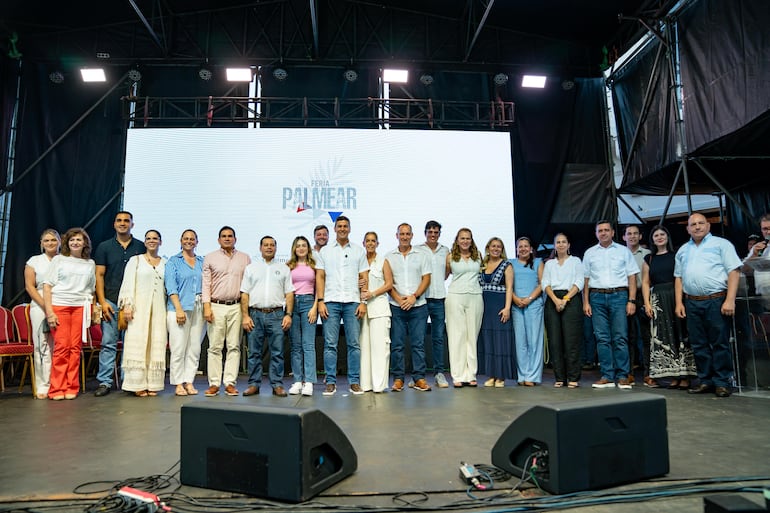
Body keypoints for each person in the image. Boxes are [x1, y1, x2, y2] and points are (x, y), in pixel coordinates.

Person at [674, 213, 741, 398]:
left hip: (716, 300)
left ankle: (722, 382)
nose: (697, 227)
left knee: (719, 343)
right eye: (692, 224)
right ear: (687, 228)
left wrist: (730, 299)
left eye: (701, 223)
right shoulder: (682, 250)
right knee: (698, 344)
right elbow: (678, 278)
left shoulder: (721, 244)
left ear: (708, 226)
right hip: (692, 302)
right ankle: (706, 381)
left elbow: (734, 272)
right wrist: (679, 302)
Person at [93, 211, 146, 397]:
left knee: (132, 343)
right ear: (114, 224)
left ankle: (128, 381)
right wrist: (101, 302)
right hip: (111, 300)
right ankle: (105, 382)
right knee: (108, 343)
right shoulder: (104, 247)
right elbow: (99, 275)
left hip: (133, 303)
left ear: (132, 224)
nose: (123, 223)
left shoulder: (141, 246)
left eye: (126, 221)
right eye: (119, 221)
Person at [583, 220, 640, 390]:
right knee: (602, 338)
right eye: (600, 230)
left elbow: (632, 277)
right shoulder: (590, 253)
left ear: (613, 233)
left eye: (606, 230)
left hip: (619, 296)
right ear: (596, 233)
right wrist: (585, 302)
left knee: (620, 337)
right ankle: (607, 375)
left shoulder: (623, 251)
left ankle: (623, 375)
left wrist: (631, 300)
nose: (603, 233)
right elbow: (585, 279)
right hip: (597, 297)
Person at [316, 216, 368, 396]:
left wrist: (363, 302)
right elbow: (320, 277)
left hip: (353, 301)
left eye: (346, 226)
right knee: (330, 344)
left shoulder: (359, 251)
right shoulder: (325, 251)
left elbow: (364, 278)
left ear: (350, 228)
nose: (343, 229)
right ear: (335, 228)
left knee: (354, 344)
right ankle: (330, 381)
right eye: (340, 226)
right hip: (330, 301)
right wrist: (321, 301)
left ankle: (354, 381)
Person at [42, 228, 96, 400]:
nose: (75, 242)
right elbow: (47, 286)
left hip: (80, 308)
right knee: (61, 348)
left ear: (85, 243)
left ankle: (72, 386)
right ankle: (56, 389)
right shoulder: (59, 260)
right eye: (72, 240)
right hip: (60, 306)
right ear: (67, 242)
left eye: (79, 240)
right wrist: (49, 312)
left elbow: (90, 289)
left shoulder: (90, 264)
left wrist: (92, 311)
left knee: (75, 348)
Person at [641, 225, 696, 389]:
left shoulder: (676, 255)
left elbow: (681, 277)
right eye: (656, 235)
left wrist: (680, 301)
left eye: (662, 234)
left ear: (667, 237)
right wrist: (647, 303)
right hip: (658, 298)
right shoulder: (649, 259)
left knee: (681, 334)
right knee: (664, 336)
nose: (659, 237)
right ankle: (672, 375)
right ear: (652, 239)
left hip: (675, 295)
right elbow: (645, 282)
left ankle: (685, 375)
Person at [240, 236, 294, 397]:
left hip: (277, 314)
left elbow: (289, 293)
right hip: (255, 314)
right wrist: (245, 316)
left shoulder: (284, 268)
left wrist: (288, 315)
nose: (269, 248)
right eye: (266, 245)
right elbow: (244, 294)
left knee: (277, 352)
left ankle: (277, 384)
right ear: (260, 248)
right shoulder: (251, 268)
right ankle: (253, 384)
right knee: (254, 353)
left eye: (272, 245)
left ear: (276, 248)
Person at [202, 226, 251, 397]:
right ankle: (214, 384)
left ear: (235, 239)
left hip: (237, 306)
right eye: (224, 236)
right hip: (215, 306)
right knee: (214, 346)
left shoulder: (245, 258)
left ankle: (230, 383)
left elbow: (248, 286)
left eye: (230, 236)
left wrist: (246, 311)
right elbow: (206, 284)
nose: (227, 238)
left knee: (234, 346)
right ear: (218, 239)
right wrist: (206, 306)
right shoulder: (210, 257)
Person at [119, 230, 168, 397]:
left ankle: (153, 383)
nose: (152, 241)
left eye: (155, 238)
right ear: (145, 242)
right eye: (148, 238)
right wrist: (127, 305)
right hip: (139, 308)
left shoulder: (165, 263)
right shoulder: (136, 261)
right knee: (138, 342)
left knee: (156, 342)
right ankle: (136, 383)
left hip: (159, 310)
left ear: (160, 242)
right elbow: (127, 283)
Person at [387, 223, 432, 392]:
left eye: (408, 234)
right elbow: (388, 282)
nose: (404, 237)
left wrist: (414, 297)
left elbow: (426, 279)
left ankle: (419, 378)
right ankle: (398, 379)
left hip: (418, 306)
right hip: (397, 306)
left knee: (418, 344)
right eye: (402, 234)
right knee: (397, 344)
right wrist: (399, 299)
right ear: (396, 235)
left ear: (412, 236)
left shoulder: (421, 255)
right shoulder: (389, 256)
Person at [165, 229, 206, 396]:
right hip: (179, 308)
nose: (189, 241)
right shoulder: (173, 262)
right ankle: (178, 383)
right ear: (181, 241)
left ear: (197, 242)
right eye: (186, 238)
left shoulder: (202, 261)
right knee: (178, 347)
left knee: (195, 348)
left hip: (199, 309)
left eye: (192, 239)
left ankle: (189, 381)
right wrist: (179, 309)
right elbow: (171, 287)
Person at [542, 233, 584, 388]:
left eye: (563, 242)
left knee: (571, 340)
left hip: (571, 299)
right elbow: (545, 282)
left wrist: (565, 300)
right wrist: (555, 300)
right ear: (554, 245)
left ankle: (573, 377)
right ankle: (559, 377)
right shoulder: (549, 264)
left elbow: (579, 282)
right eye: (557, 242)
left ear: (568, 245)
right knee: (555, 341)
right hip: (553, 299)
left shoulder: (575, 261)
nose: (560, 244)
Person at [444, 228, 483, 388]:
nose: (465, 241)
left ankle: (471, 374)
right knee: (456, 336)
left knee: (472, 336)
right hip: (455, 296)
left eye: (468, 238)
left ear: (471, 240)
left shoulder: (479, 255)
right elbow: (445, 276)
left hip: (475, 296)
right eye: (462, 238)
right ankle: (458, 375)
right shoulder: (450, 257)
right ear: (457, 240)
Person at [25, 229, 61, 399]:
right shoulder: (34, 261)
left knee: (59, 347)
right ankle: (43, 384)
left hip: (62, 303)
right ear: (41, 243)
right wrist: (46, 307)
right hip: (39, 306)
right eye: (46, 240)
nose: (50, 243)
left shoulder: (66, 260)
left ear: (60, 242)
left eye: (53, 240)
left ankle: (58, 383)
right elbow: (30, 286)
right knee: (43, 346)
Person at [416, 220, 450, 388]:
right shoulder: (417, 250)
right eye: (430, 232)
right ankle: (419, 376)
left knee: (438, 338)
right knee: (419, 339)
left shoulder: (446, 251)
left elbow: (446, 273)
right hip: (422, 299)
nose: (433, 235)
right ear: (425, 233)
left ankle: (439, 373)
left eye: (436, 232)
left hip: (439, 299)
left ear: (439, 234)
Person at [477, 237, 515, 387]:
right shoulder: (482, 265)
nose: (496, 249)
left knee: (501, 341)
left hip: (499, 306)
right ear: (488, 248)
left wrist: (507, 308)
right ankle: (491, 375)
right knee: (489, 340)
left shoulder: (507, 265)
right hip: (485, 307)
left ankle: (501, 376)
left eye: (499, 246)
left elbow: (510, 287)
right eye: (493, 246)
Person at [359, 231, 394, 393]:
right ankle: (366, 385)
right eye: (368, 241)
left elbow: (389, 284)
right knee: (364, 348)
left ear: (378, 243)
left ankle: (379, 385)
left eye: (374, 241)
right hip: (362, 310)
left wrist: (372, 294)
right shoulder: (359, 261)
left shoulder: (383, 261)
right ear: (363, 243)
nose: (371, 243)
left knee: (380, 348)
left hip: (379, 308)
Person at [286, 236, 319, 396]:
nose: (301, 248)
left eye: (303, 245)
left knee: (308, 345)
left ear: (308, 248)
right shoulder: (288, 266)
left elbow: (319, 288)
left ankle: (309, 382)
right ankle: (298, 381)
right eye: (298, 246)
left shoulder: (314, 265)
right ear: (294, 248)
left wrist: (315, 308)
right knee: (296, 346)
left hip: (308, 303)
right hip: (292, 304)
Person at [511, 236, 545, 386]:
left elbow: (542, 283)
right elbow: (507, 285)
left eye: (526, 246)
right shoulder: (511, 264)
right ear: (517, 249)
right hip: (516, 305)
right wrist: (516, 299)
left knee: (534, 341)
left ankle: (532, 376)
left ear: (531, 249)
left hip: (534, 305)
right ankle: (522, 375)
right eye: (520, 246)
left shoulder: (538, 263)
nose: (523, 249)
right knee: (520, 342)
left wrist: (529, 298)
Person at [623, 224, 651, 385]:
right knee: (628, 336)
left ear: (640, 236)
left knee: (646, 336)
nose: (632, 236)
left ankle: (649, 373)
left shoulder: (648, 254)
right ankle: (629, 373)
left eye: (635, 233)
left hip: (644, 295)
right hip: (625, 295)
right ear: (624, 237)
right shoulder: (620, 253)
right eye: (629, 234)